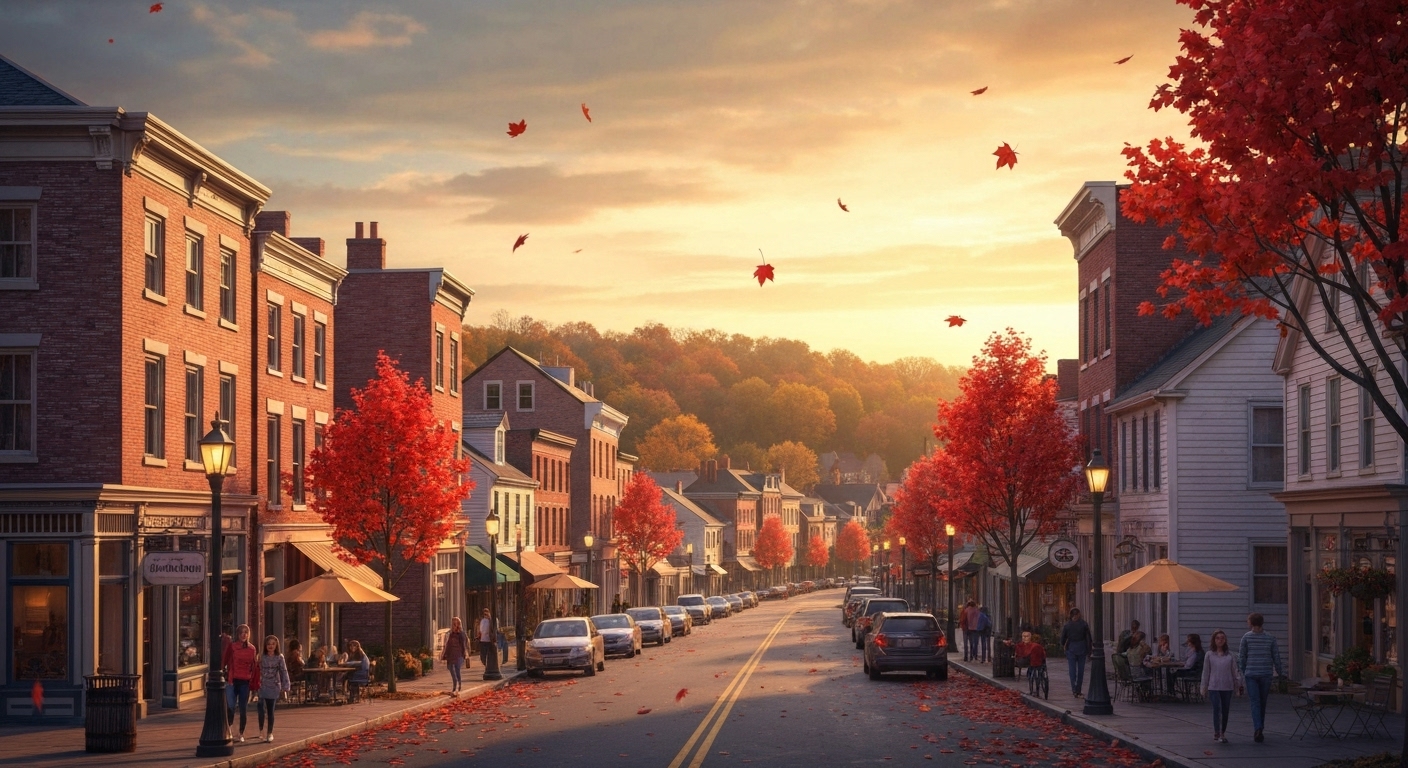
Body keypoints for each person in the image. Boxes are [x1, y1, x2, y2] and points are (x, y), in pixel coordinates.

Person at [1238, 612, 1284, 744]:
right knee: (1262, 702)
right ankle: (1260, 728)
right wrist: (1280, 673)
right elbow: (1276, 656)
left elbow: (1242, 657)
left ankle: (1258, 727)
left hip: (1251, 674)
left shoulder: (1246, 638)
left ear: (1250, 623)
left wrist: (1244, 670)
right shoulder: (1270, 638)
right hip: (1266, 673)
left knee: (1255, 702)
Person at [1201, 629, 1243, 744]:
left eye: (1222, 638)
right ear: (1214, 640)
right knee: (1217, 709)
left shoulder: (1230, 655)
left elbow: (1235, 671)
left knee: (1225, 710)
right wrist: (1203, 687)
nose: (1220, 640)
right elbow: (1206, 671)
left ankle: (1223, 731)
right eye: (1217, 638)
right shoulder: (1209, 654)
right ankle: (1217, 732)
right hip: (1213, 686)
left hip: (1227, 686)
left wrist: (1238, 686)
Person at [221, 623, 258, 742]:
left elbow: (254, 666)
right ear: (237, 634)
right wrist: (222, 673)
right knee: (231, 707)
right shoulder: (232, 647)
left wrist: (253, 681)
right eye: (241, 632)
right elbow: (224, 661)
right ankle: (229, 730)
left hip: (245, 682)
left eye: (246, 632)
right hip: (232, 680)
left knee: (243, 708)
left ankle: (241, 733)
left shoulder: (252, 649)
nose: (244, 635)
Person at [255, 635, 290, 744]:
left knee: (271, 710)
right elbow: (256, 671)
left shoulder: (280, 657)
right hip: (262, 684)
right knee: (261, 708)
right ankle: (261, 729)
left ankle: (269, 733)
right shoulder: (261, 657)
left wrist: (286, 685)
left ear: (276, 646)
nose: (271, 646)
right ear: (265, 645)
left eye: (273, 644)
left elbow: (283, 671)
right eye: (268, 644)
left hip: (274, 685)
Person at [1059, 607, 1091, 698]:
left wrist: (1064, 645)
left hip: (1071, 647)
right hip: (1082, 647)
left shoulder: (1067, 625)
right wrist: (1089, 650)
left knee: (1072, 670)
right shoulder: (1084, 624)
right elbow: (1088, 638)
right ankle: (1078, 689)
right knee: (1081, 670)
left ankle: (1074, 689)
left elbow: (1062, 639)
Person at [441, 617, 469, 694]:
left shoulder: (461, 634)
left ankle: (456, 684)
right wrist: (444, 654)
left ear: (458, 624)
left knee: (456, 669)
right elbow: (447, 645)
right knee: (450, 667)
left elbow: (464, 645)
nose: (453, 625)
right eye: (452, 623)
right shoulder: (450, 634)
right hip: (450, 654)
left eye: (455, 623)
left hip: (458, 654)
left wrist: (464, 654)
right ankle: (457, 682)